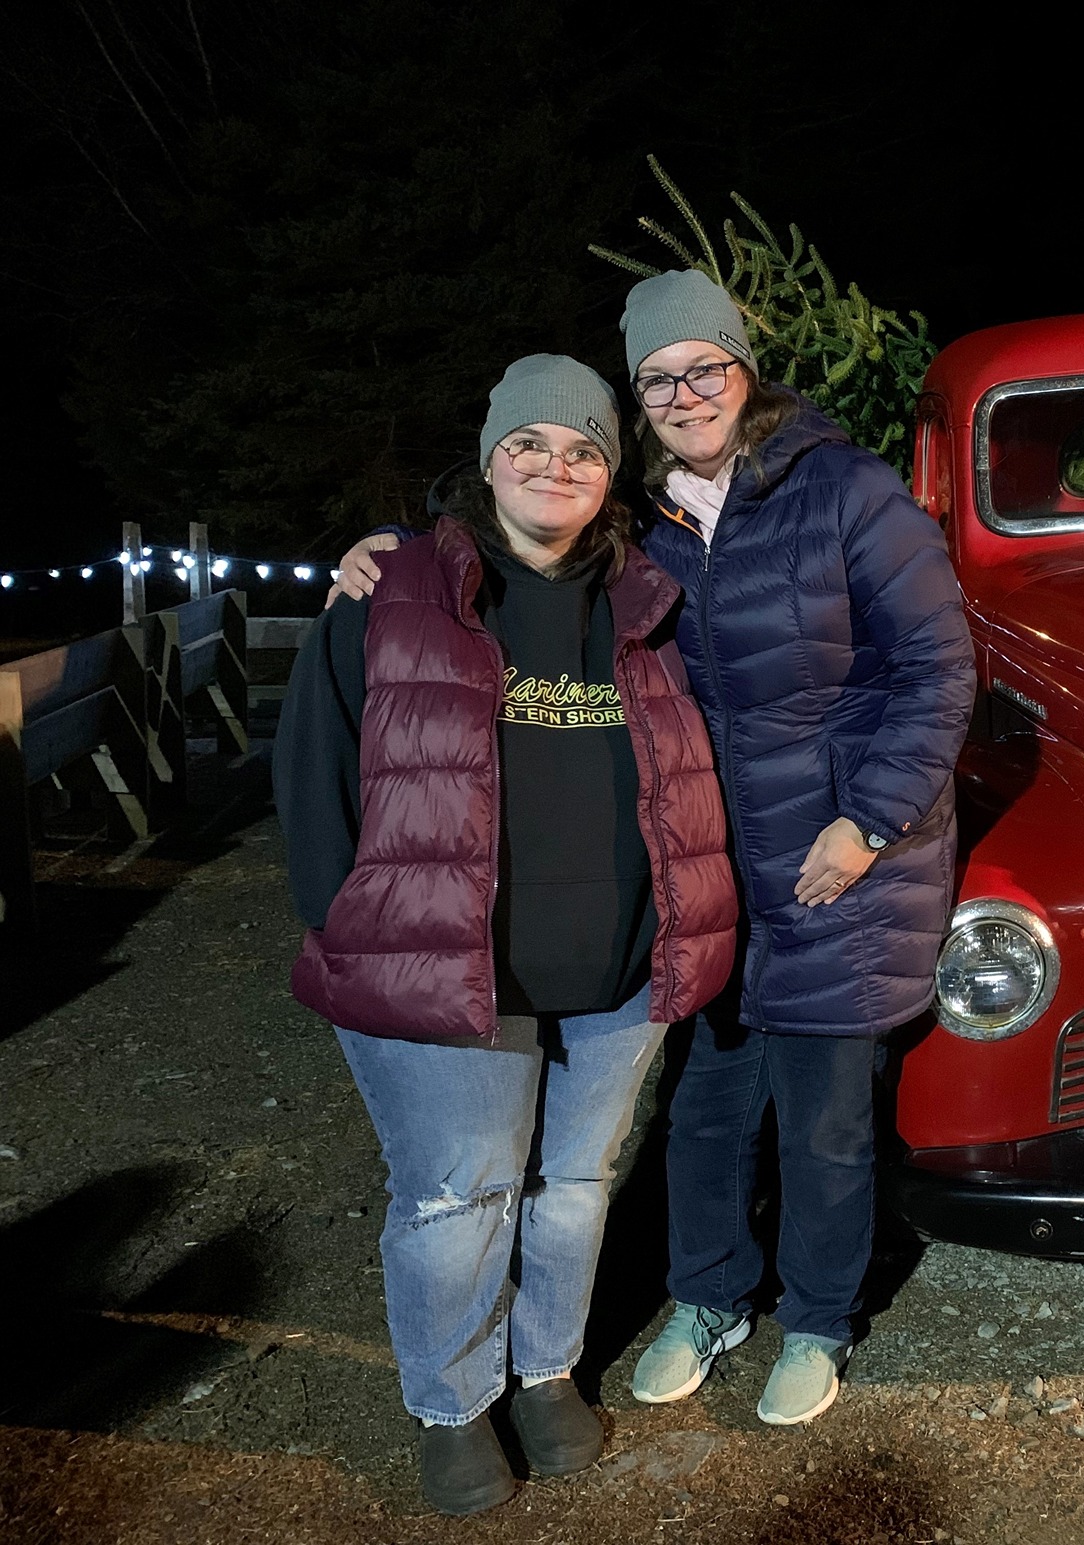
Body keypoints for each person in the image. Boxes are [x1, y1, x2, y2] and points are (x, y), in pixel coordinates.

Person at [333, 270, 975, 1427]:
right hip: (710, 862)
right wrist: (394, 547)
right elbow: (514, 535)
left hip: (839, 860)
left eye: (703, 368)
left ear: (743, 369)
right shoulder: (644, 516)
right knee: (706, 1109)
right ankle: (708, 1295)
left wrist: (870, 821)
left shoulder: (845, 491)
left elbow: (938, 667)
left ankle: (816, 1319)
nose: (685, 395)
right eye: (657, 381)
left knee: (824, 1119)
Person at [278, 354, 737, 1515]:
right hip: (450, 966)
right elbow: (314, 765)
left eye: (583, 449)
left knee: (574, 1184)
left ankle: (542, 1372)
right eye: (528, 442)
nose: (554, 465)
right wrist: (347, 918)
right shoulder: (395, 590)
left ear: (609, 475)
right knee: (456, 1196)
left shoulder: (646, 603)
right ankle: (451, 1403)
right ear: (488, 462)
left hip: (617, 966)